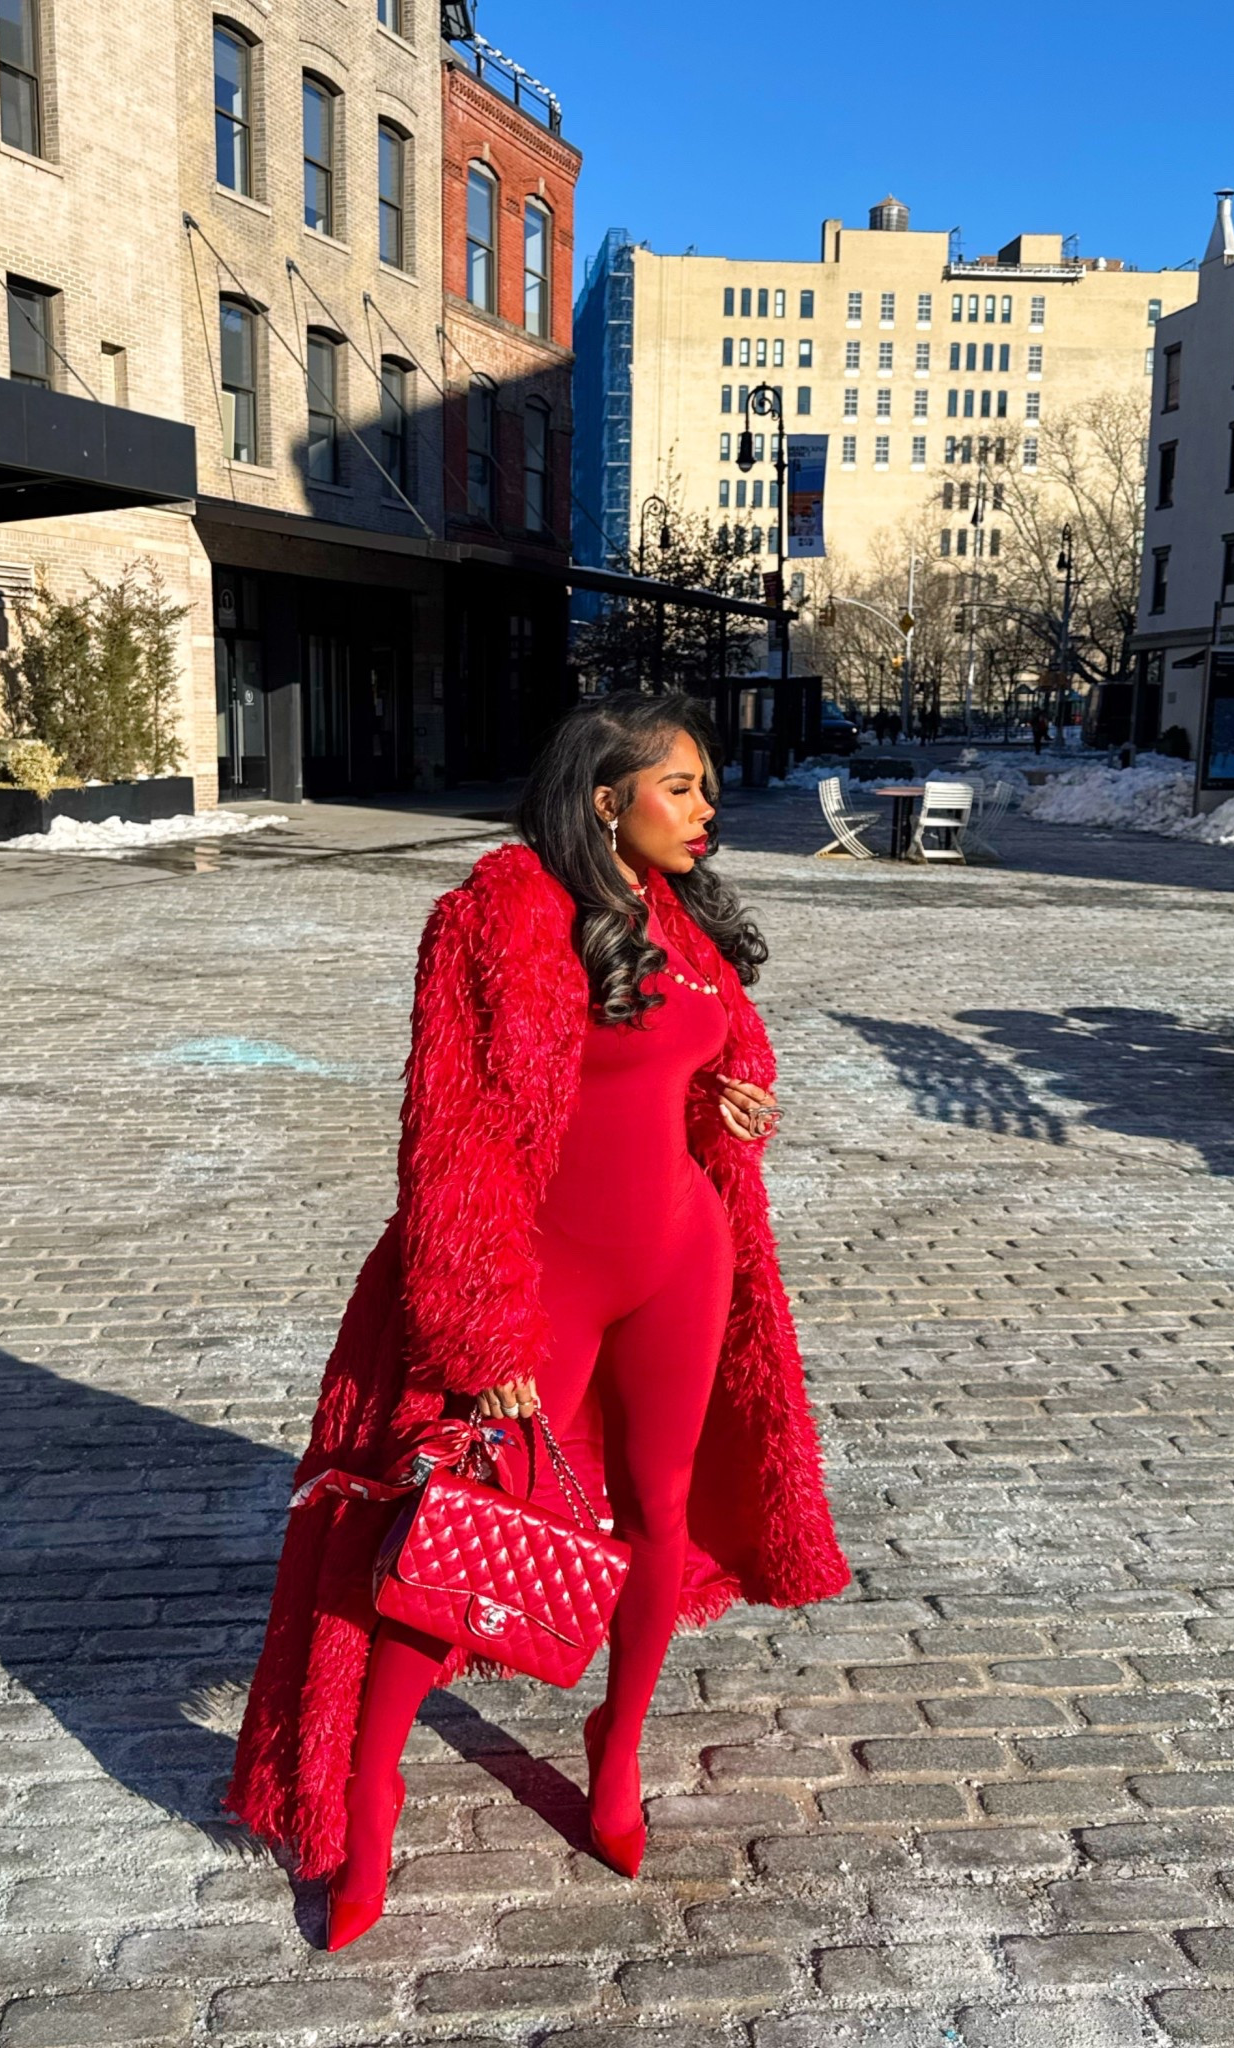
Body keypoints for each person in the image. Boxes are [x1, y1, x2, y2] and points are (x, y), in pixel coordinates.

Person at [224, 690, 850, 1949]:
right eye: (682, 785)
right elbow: (447, 1133)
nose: (707, 809)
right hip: (540, 1270)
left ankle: (617, 1751)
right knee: (467, 1517)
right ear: (605, 796)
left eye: (706, 787)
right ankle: (370, 1789)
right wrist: (478, 1327)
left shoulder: (679, 916)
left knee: (658, 1508)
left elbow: (708, 1060)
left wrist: (728, 1103)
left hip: (683, 1256)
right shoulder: (491, 916)